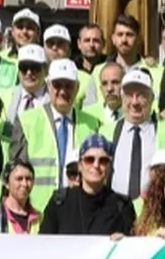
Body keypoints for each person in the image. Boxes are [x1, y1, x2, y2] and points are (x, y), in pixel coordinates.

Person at [11, 58, 102, 211]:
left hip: (79, 209)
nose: (63, 91)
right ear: (48, 86)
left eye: (69, 86)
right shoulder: (27, 121)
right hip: (37, 211)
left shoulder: (92, 124)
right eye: (57, 85)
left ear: (77, 87)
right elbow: (17, 173)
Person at [106, 69, 165, 200]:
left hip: (155, 210)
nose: (135, 102)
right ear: (121, 97)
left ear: (152, 98)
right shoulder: (106, 131)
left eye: (141, 95)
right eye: (129, 95)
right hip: (115, 212)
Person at [39, 135, 136, 236]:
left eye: (103, 161)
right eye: (89, 160)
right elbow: (43, 244)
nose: (96, 165)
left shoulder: (122, 206)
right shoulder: (60, 202)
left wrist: (124, 242)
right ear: (80, 166)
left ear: (109, 167)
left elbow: (134, 246)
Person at [3, 44, 51, 134]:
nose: (28, 73)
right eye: (24, 67)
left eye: (34, 67)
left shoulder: (55, 98)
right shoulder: (4, 96)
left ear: (45, 70)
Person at [0, 160, 42, 234]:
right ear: (7, 183)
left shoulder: (40, 218)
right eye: (19, 179)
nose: (24, 184)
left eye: (28, 179)